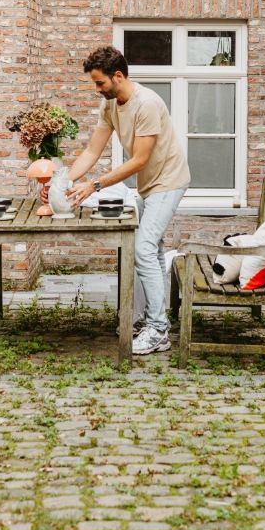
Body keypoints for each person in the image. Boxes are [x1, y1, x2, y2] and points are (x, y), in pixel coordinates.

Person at [66, 45, 190, 356]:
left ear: (118, 76)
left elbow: (138, 160)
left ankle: (158, 330)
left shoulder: (146, 103)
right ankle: (150, 320)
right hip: (150, 184)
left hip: (169, 180)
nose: (97, 89)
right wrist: (65, 183)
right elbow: (93, 151)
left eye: (100, 83)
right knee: (154, 251)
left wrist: (93, 185)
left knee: (144, 247)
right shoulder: (109, 106)